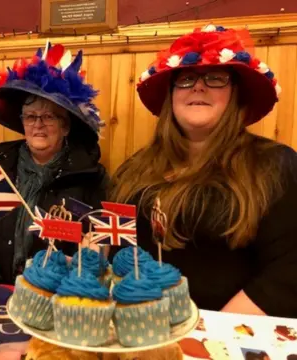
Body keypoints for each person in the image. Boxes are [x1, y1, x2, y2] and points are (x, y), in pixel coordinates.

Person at [110, 24, 297, 317]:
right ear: (171, 96)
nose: (198, 86)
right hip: (137, 326)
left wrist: (210, 331)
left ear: (236, 94)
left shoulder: (276, 166)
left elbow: (289, 270)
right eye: (185, 79)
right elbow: (113, 246)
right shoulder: (135, 168)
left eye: (215, 78)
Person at [0, 42, 108, 284]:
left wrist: (92, 255)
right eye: (30, 116)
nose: (37, 124)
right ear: (22, 122)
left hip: (56, 289)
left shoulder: (91, 175)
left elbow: (101, 241)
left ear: (66, 126)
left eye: (49, 116)